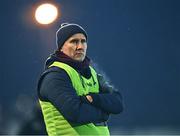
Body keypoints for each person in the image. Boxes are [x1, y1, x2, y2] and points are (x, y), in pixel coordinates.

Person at [37, 23, 124, 136]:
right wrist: (105, 112)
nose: (80, 46)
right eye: (74, 41)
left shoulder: (92, 72)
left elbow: (118, 103)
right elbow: (76, 113)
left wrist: (94, 99)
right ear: (61, 47)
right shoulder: (54, 75)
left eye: (83, 41)